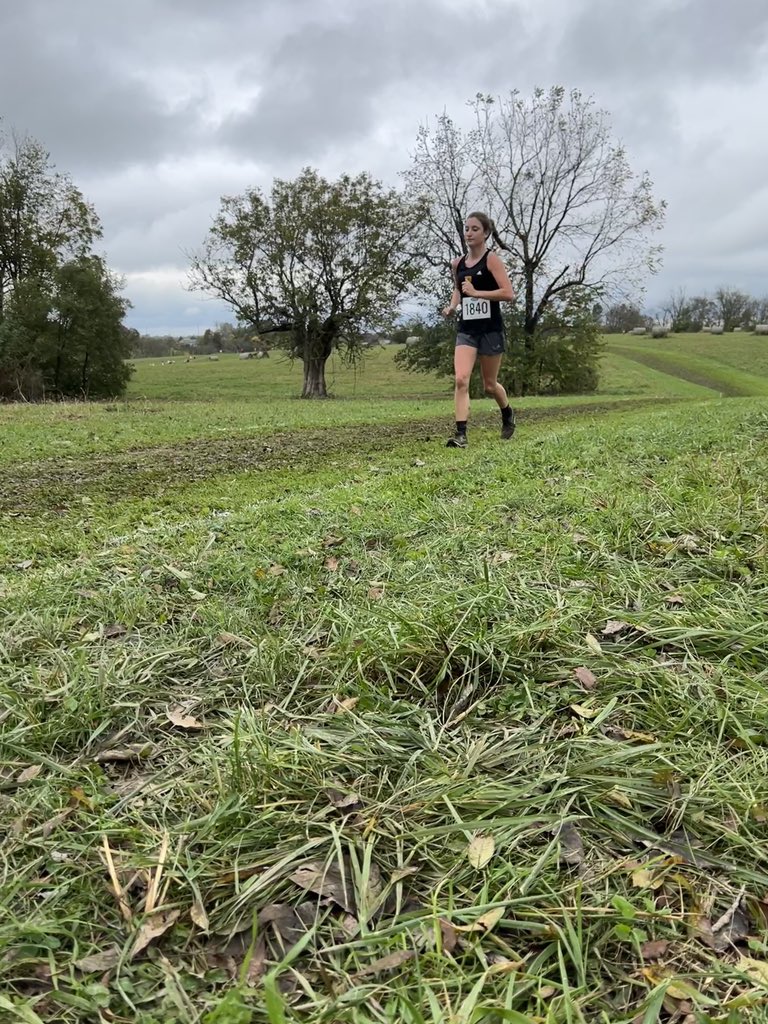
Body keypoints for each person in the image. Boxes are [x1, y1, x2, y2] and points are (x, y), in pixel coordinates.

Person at [442, 212, 516, 448]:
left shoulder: (491, 260)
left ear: (485, 233)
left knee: (489, 385)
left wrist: (477, 293)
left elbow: (508, 293)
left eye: (475, 229)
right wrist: (453, 306)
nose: (469, 233)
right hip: (467, 330)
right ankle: (461, 434)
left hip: (490, 329)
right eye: (467, 229)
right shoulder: (458, 264)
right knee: (461, 379)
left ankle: (507, 414)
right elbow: (458, 289)